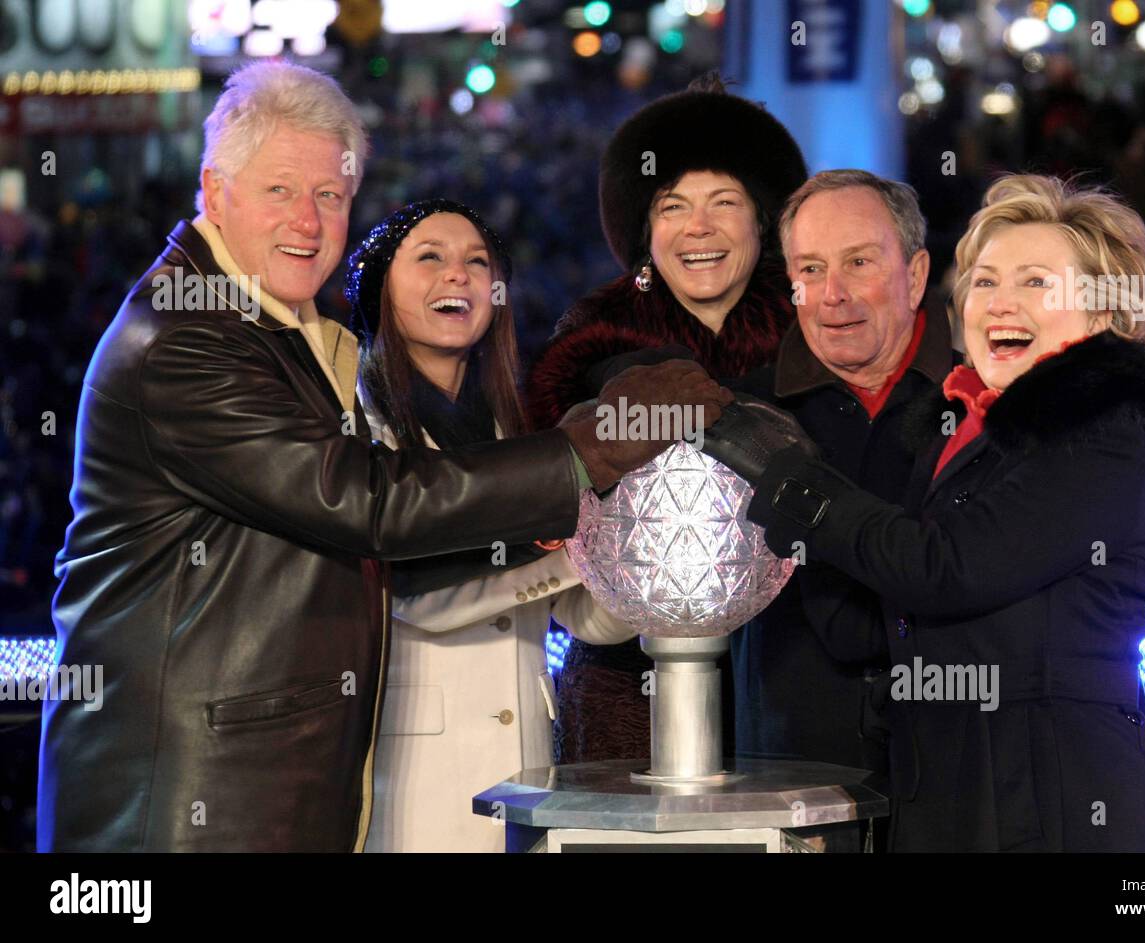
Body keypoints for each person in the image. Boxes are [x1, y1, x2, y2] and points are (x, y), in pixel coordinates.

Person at [37, 62, 729, 851]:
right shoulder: (189, 339)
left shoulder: (283, 336)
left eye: (329, 196)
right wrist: (587, 452)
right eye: (279, 191)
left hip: (269, 788)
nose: (308, 219)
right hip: (193, 802)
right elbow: (371, 505)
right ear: (214, 189)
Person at [708, 175, 1145, 851]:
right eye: (986, 282)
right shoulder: (961, 436)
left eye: (1036, 282)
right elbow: (870, 617)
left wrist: (795, 484)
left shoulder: (1098, 431)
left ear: (1102, 313)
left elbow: (947, 567)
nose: (1001, 304)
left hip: (1055, 811)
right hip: (945, 802)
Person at [526, 72, 807, 764]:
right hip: (628, 680)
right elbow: (547, 516)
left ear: (762, 219)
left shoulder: (816, 333)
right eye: (672, 206)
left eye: (724, 202)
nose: (698, 228)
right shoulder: (588, 344)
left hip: (797, 665)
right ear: (644, 231)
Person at [345, 199, 639, 851]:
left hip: (527, 769)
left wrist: (640, 555)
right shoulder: (354, 430)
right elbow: (412, 593)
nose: (460, 275)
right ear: (379, 287)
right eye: (430, 258)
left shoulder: (513, 427)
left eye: (478, 262)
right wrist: (569, 537)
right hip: (414, 779)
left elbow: (584, 618)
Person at [729, 170, 956, 774]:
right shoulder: (740, 418)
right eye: (810, 269)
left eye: (859, 263)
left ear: (915, 276)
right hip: (787, 778)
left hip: (958, 781)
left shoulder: (984, 403)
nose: (833, 294)